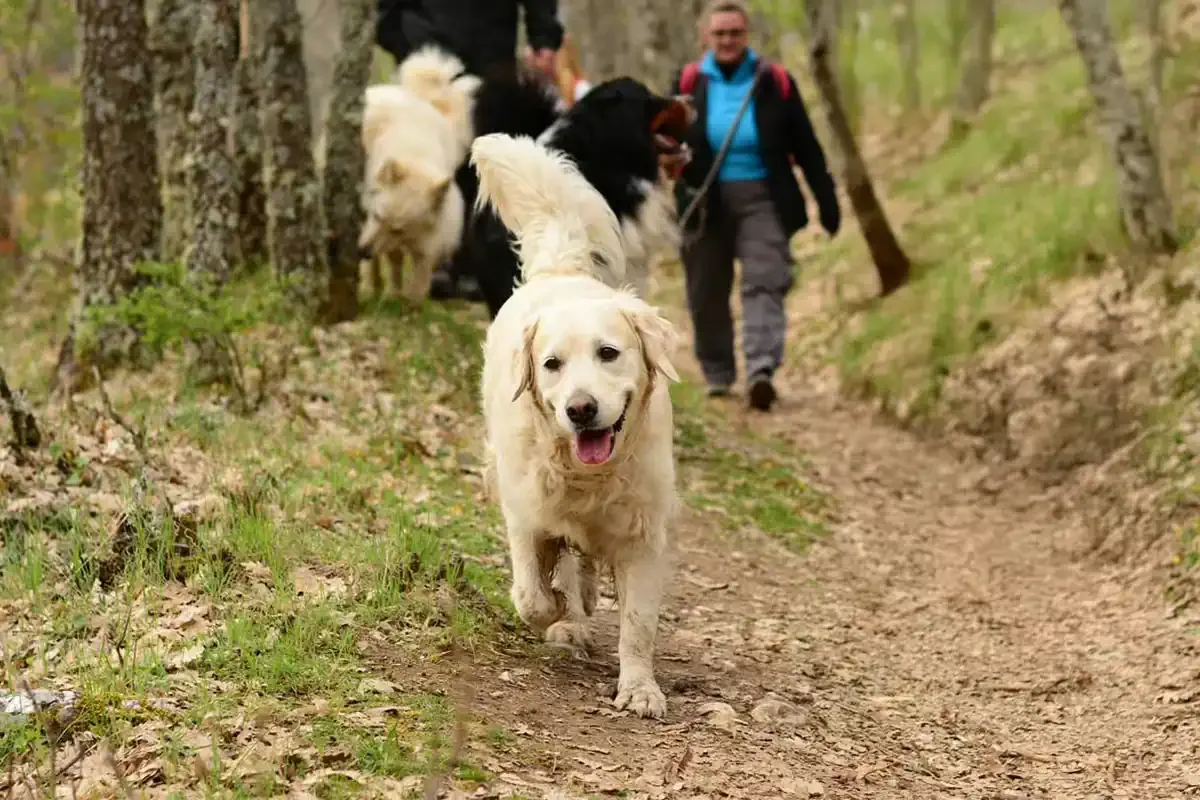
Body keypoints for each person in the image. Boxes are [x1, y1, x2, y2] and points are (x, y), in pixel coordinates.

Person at [671, 0, 841, 412]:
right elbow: (663, 140)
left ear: (747, 36)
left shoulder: (775, 82)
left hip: (764, 195)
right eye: (720, 34)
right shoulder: (688, 82)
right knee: (706, 289)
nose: (728, 41)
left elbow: (807, 145)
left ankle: (761, 369)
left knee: (766, 279)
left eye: (735, 33)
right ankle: (717, 372)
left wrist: (827, 201)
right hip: (704, 199)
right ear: (706, 38)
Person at [374, 0, 565, 302]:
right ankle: (436, 262)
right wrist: (395, 35)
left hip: (489, 48)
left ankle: (473, 264)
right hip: (424, 45)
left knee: (485, 157)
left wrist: (544, 37)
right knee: (428, 162)